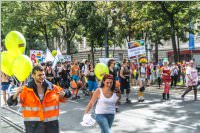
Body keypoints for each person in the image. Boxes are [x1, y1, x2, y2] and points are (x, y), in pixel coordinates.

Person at [7, 65, 71, 133]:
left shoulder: (52, 88)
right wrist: (16, 93)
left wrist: (65, 93)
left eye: (43, 74)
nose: (42, 77)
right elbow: (10, 103)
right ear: (33, 75)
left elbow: (68, 94)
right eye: (39, 75)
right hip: (33, 127)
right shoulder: (25, 90)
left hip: (51, 126)